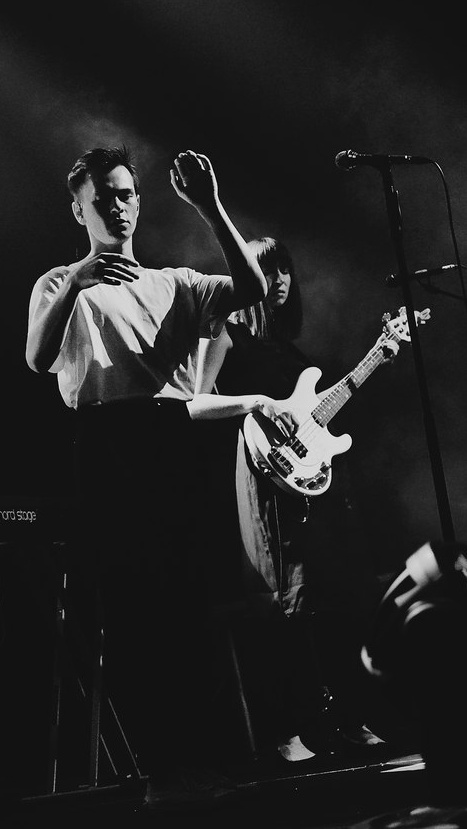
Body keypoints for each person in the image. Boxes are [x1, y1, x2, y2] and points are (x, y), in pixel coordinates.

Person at [25, 146, 298, 805]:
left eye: (125, 195)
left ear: (138, 201)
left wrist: (209, 204)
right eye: (102, 199)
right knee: (133, 607)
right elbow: (37, 358)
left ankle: (207, 763)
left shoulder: (175, 283)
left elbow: (252, 290)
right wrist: (83, 274)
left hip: (171, 437)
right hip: (107, 440)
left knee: (191, 604)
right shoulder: (60, 283)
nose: (116, 207)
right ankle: (162, 769)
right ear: (79, 210)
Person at [195, 236, 390, 764]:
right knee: (287, 603)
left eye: (285, 269)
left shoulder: (292, 351)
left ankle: (349, 717)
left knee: (336, 598)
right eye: (268, 269)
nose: (280, 279)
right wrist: (258, 406)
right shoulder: (226, 332)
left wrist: (376, 359)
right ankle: (290, 728)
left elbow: (314, 416)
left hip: (314, 486)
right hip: (262, 479)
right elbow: (196, 401)